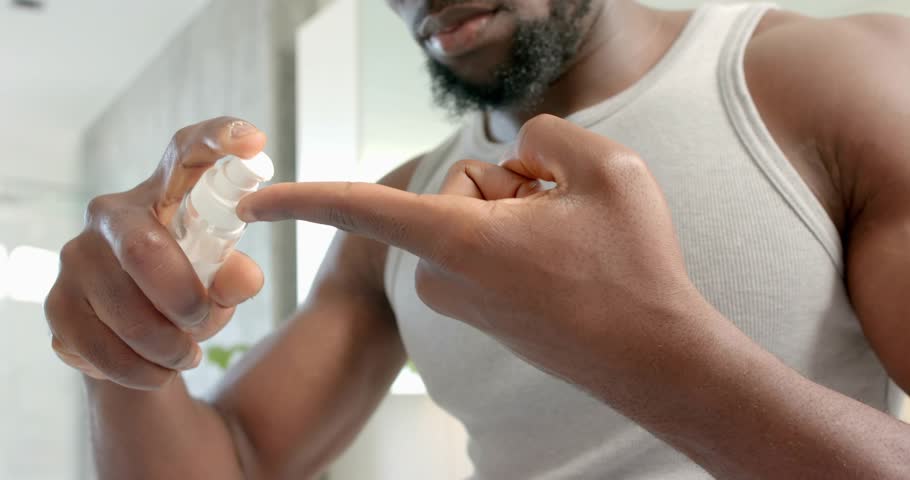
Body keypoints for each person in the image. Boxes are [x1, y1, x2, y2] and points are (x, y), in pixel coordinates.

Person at [44, 0, 910, 478]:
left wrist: (647, 351)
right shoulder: (398, 209)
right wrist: (122, 356)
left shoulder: (839, 77)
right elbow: (235, 460)